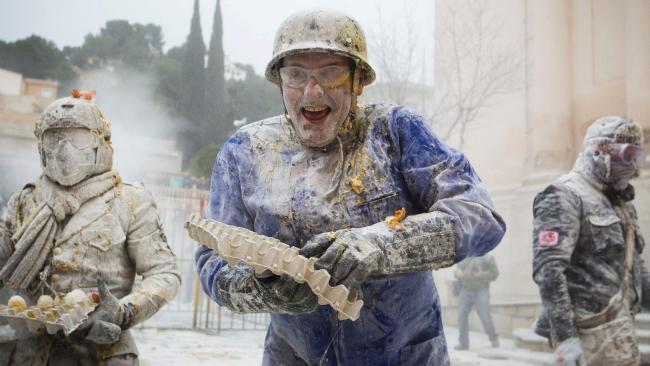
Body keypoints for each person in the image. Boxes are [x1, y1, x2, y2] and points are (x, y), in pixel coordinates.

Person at [195, 9, 505, 365]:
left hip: (406, 355)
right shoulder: (246, 153)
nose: (313, 91)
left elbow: (481, 217)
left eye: (331, 73)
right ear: (280, 82)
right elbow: (212, 261)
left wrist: (381, 244)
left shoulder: (396, 133)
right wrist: (260, 288)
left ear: (358, 81)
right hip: (293, 356)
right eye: (296, 74)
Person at [0, 92, 181, 365]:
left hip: (101, 353)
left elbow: (164, 274)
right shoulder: (25, 200)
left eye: (78, 138)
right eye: (54, 138)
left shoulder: (129, 200)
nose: (64, 149)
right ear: (41, 146)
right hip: (29, 352)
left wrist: (123, 311)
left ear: (101, 143)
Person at [532, 116, 650, 366]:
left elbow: (636, 266)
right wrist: (566, 338)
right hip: (587, 335)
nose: (634, 166)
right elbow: (549, 271)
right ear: (600, 150)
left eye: (638, 156)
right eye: (628, 155)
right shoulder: (564, 195)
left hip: (620, 331)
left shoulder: (621, 204)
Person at [454, 254, 499, 350]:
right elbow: (457, 270)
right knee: (461, 317)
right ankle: (463, 343)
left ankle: (493, 339)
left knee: (485, 317)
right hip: (465, 290)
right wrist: (457, 273)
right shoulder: (464, 255)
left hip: (481, 290)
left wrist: (482, 274)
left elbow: (495, 273)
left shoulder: (487, 257)